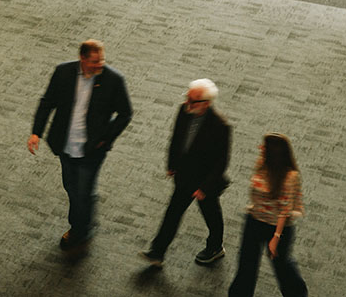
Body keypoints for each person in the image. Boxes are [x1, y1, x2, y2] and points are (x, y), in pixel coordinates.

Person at [28, 39, 133, 249]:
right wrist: (36, 132)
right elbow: (47, 102)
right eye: (95, 62)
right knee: (71, 187)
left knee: (82, 191)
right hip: (65, 145)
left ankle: (79, 230)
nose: (100, 65)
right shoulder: (63, 73)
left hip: (92, 149)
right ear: (82, 59)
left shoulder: (113, 80)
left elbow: (125, 113)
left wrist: (106, 138)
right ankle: (86, 219)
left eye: (102, 60)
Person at [141, 79, 231, 268]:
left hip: (205, 182)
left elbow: (221, 162)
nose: (187, 104)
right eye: (188, 98)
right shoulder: (184, 110)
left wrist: (204, 188)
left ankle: (215, 246)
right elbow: (176, 139)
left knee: (211, 214)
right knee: (173, 213)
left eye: (193, 101)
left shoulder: (220, 126)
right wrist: (171, 164)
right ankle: (158, 252)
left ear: (206, 103)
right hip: (185, 176)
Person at [228, 133, 307, 297]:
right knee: (246, 265)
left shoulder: (290, 177)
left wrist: (275, 237)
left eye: (264, 147)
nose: (260, 148)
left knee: (282, 266)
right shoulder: (261, 164)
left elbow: (284, 210)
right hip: (254, 220)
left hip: (278, 227)